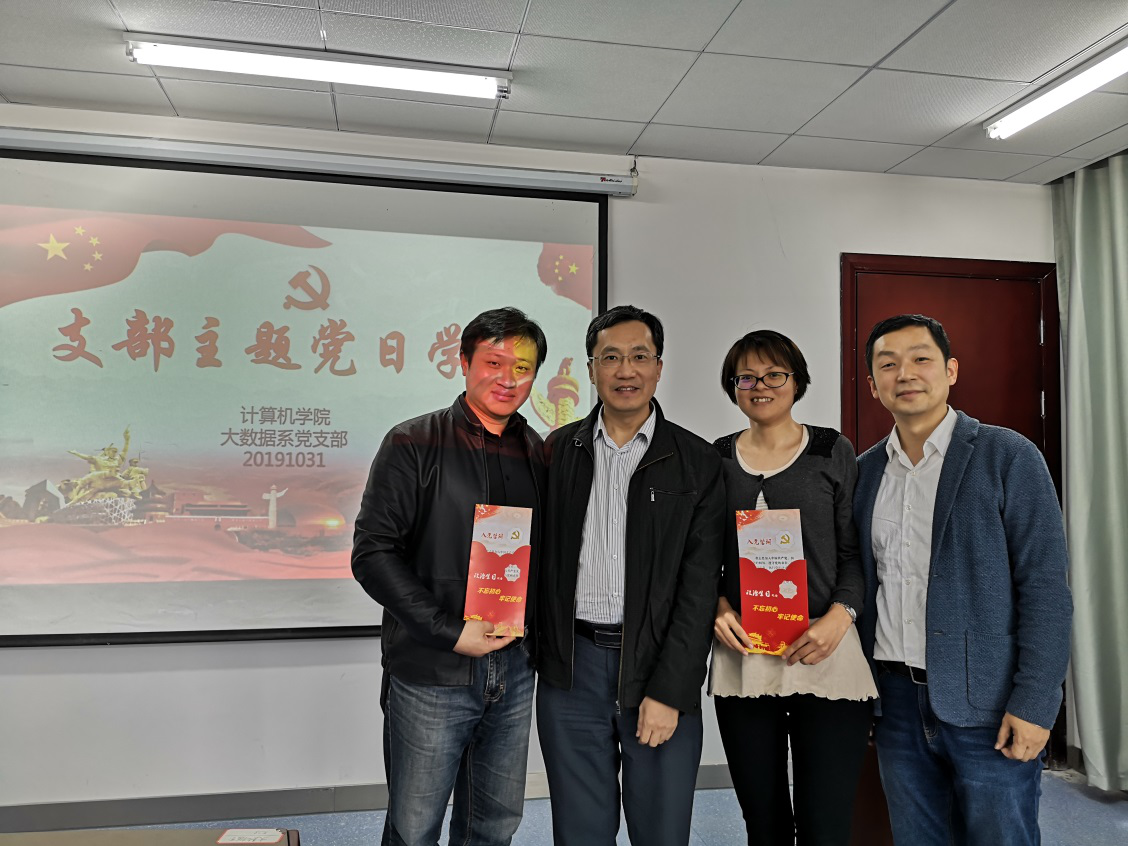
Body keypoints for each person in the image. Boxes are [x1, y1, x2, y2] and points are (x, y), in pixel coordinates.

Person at [855, 314, 1071, 846]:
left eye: (921, 359)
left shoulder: (1008, 456)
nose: (905, 373)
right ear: (873, 384)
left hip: (990, 704)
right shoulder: (864, 472)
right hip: (895, 704)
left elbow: (1045, 589)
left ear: (950, 370)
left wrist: (1035, 703)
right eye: (888, 364)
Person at [352, 307, 548, 846]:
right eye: (494, 362)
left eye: (523, 368)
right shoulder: (412, 442)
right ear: (463, 362)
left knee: (494, 824)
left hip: (515, 670)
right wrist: (450, 631)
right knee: (414, 828)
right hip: (432, 670)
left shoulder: (540, 453)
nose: (508, 379)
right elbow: (372, 554)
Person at [535, 304, 725, 846]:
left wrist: (672, 690)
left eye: (640, 357)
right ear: (591, 369)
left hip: (658, 667)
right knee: (580, 832)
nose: (626, 371)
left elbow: (699, 589)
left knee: (661, 831)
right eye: (611, 357)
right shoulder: (555, 453)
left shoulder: (696, 461)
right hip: (572, 671)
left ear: (659, 367)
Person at [711, 330, 875, 846]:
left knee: (826, 825)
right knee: (764, 824)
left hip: (825, 650)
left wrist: (841, 616)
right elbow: (702, 558)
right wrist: (717, 605)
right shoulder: (715, 459)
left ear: (797, 382)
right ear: (733, 387)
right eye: (746, 378)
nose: (760, 386)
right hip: (745, 656)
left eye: (774, 375)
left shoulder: (831, 449)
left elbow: (854, 554)